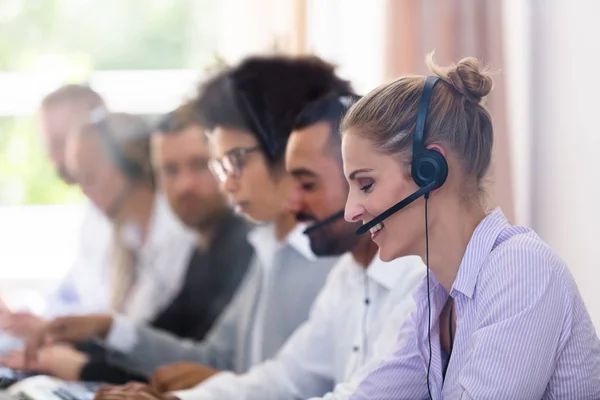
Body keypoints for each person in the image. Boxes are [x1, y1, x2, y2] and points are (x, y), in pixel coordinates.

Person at [24, 55, 347, 385]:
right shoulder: (268, 247)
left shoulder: (328, 260)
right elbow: (214, 359)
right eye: (220, 165)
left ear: (287, 150)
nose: (225, 184)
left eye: (235, 161)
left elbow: (280, 386)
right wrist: (111, 328)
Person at [338, 55, 600, 399]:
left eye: (366, 184)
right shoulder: (434, 296)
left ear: (429, 170)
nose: (350, 212)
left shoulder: (521, 270)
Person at [142, 94, 426, 400]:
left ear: (360, 181)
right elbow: (286, 377)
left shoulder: (419, 281)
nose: (292, 204)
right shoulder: (347, 275)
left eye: (307, 185)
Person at [1, 106, 255, 385]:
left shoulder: (236, 245)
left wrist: (84, 366)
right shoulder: (203, 245)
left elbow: (202, 366)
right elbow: (167, 338)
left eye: (200, 165)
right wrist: (94, 333)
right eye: (169, 171)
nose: (185, 186)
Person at [0, 85, 113, 342]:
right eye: (49, 144)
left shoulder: (124, 217)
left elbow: (116, 324)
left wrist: (48, 327)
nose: (53, 157)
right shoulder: (93, 215)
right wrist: (16, 316)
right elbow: (68, 293)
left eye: (61, 142)